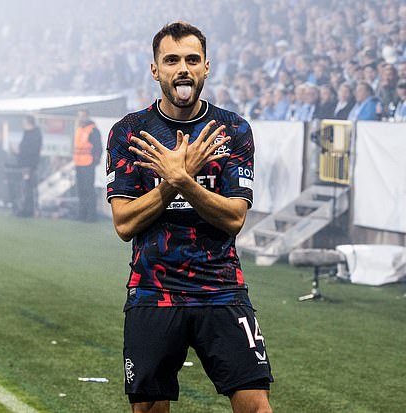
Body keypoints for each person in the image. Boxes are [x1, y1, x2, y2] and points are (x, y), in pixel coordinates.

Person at [106, 22, 273, 413]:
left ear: (206, 68)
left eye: (192, 59)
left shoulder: (232, 130)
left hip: (221, 289)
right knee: (148, 410)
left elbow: (234, 219)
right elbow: (125, 224)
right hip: (152, 290)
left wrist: (183, 180)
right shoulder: (129, 132)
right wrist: (173, 183)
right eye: (172, 60)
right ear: (155, 70)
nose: (183, 68)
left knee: (257, 407)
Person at [9, 115, 42, 217]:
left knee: (27, 188)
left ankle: (26, 210)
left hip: (29, 165)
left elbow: (32, 150)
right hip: (24, 164)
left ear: (28, 122)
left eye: (24, 122)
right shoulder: (27, 134)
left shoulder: (35, 135)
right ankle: (24, 209)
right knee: (25, 188)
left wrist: (20, 152)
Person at [73, 108, 102, 222]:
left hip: (88, 163)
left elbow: (98, 147)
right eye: (79, 116)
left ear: (87, 116)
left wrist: (95, 161)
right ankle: (82, 214)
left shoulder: (92, 129)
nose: (81, 118)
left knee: (88, 189)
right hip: (79, 163)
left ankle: (91, 216)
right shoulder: (79, 128)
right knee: (81, 190)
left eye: (83, 116)